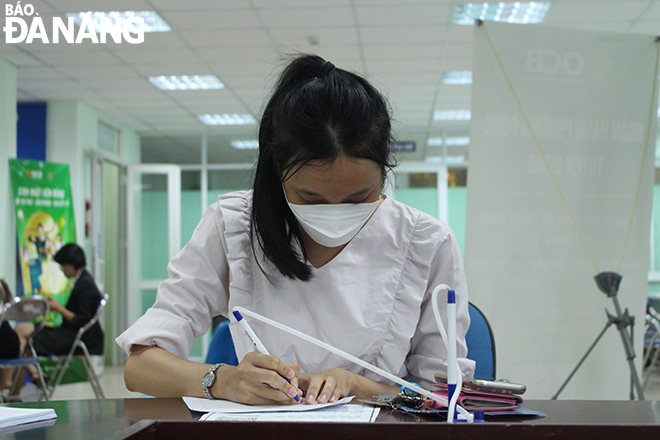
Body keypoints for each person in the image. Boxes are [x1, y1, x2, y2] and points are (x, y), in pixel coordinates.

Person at [117, 54, 475, 405]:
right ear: (278, 172)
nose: (335, 213)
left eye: (358, 198)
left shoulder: (428, 243)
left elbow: (445, 397)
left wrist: (355, 384)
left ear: (384, 171)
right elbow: (140, 366)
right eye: (311, 198)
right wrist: (224, 380)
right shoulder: (235, 225)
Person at [16, 243, 104, 379]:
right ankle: (35, 373)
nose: (62, 270)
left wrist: (58, 308)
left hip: (77, 337)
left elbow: (80, 320)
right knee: (22, 331)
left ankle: (32, 374)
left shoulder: (86, 286)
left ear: (71, 264)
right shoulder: (82, 281)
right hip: (69, 333)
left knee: (22, 332)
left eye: (63, 266)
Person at [0, 279, 21, 397]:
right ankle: (14, 395)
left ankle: (6, 383)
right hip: (13, 346)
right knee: (22, 344)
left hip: (7, 346)